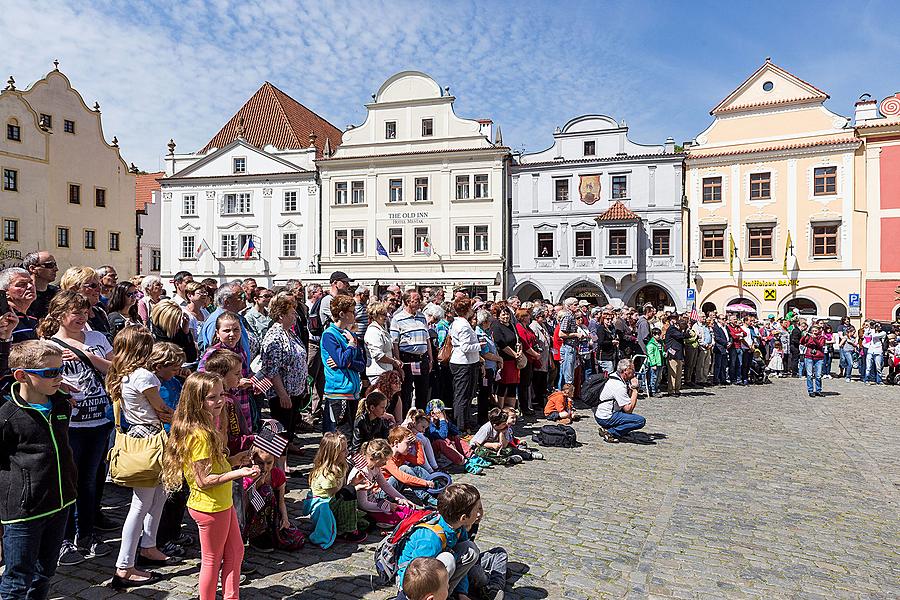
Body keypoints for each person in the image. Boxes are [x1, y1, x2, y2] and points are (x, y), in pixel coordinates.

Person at [161, 372, 257, 600]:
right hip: (210, 506)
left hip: (220, 503)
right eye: (211, 397)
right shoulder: (201, 434)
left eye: (221, 394)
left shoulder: (204, 426)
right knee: (212, 561)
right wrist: (238, 473)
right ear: (197, 401)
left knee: (236, 551)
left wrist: (234, 460)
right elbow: (203, 481)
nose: (220, 401)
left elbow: (213, 467)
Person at [39, 290, 114, 565]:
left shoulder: (97, 338)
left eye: (85, 312)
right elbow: (41, 383)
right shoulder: (48, 344)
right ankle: (64, 539)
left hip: (99, 419)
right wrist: (61, 382)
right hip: (69, 423)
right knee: (67, 481)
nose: (82, 317)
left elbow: (114, 369)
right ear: (59, 314)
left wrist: (88, 355)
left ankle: (87, 534)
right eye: (75, 312)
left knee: (90, 481)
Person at [0, 341, 77, 600]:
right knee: (17, 579)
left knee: (45, 571)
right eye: (50, 372)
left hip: (60, 502)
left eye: (61, 370)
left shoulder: (61, 405)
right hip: (24, 511)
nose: (59, 377)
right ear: (22, 375)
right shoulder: (7, 416)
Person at [106, 329, 180, 588]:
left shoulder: (121, 374)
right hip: (151, 441)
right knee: (140, 504)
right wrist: (187, 418)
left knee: (159, 495)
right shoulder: (144, 376)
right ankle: (124, 566)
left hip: (141, 436)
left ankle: (149, 545)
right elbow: (161, 410)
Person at [396, 483, 482, 600]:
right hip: (410, 583)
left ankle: (446, 592)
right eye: (477, 510)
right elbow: (416, 574)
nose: (479, 514)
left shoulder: (458, 528)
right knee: (449, 558)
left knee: (470, 549)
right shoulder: (430, 538)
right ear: (463, 517)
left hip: (435, 570)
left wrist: (462, 592)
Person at [301, 432, 367, 548]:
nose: (347, 452)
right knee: (350, 492)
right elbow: (335, 494)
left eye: (347, 448)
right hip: (323, 505)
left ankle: (345, 525)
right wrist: (354, 487)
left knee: (367, 521)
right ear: (333, 454)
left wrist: (355, 482)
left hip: (332, 501)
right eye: (343, 450)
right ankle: (346, 531)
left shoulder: (341, 466)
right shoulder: (327, 474)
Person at [260, 295, 308, 445]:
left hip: (294, 392)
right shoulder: (275, 337)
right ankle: (278, 464)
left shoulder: (289, 332)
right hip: (283, 394)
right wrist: (283, 395)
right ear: (281, 315)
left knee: (288, 431)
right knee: (280, 431)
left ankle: (284, 461)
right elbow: (272, 370)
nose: (295, 316)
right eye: (292, 313)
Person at [241, 448, 305, 552]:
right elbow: (244, 505)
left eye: (269, 463)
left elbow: (281, 501)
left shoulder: (277, 474)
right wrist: (258, 483)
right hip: (252, 515)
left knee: (295, 539)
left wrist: (285, 518)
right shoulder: (248, 476)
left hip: (271, 514)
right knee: (266, 491)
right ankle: (256, 536)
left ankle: (269, 532)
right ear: (253, 460)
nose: (265, 467)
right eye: (260, 463)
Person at [321, 294, 366, 432]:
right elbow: (341, 361)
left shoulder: (350, 334)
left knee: (350, 432)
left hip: (352, 391)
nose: (355, 314)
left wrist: (348, 363)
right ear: (341, 314)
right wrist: (351, 346)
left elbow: (361, 364)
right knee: (339, 433)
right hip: (338, 391)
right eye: (351, 311)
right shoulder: (330, 334)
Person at [348, 438, 416, 528]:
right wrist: (388, 506)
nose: (385, 463)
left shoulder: (374, 466)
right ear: (374, 459)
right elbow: (363, 504)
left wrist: (402, 499)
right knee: (400, 517)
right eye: (384, 461)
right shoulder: (362, 473)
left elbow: (385, 485)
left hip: (374, 501)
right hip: (362, 509)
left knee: (405, 509)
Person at [391, 291, 433, 413]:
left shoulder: (422, 316)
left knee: (423, 390)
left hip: (422, 358)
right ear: (408, 302)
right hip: (407, 358)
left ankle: (421, 419)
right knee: (406, 391)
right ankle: (405, 418)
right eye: (416, 300)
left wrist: (430, 358)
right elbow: (395, 342)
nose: (419, 302)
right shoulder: (397, 319)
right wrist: (398, 361)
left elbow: (427, 339)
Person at [448, 298, 482, 433]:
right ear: (467, 309)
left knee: (467, 394)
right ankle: (460, 425)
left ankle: (465, 422)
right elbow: (466, 347)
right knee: (462, 395)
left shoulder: (458, 323)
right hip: (463, 363)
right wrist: (479, 345)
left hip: (465, 362)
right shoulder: (462, 325)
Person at [594, 358, 646, 443]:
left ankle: (620, 431)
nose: (634, 372)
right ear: (625, 371)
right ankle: (610, 432)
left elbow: (626, 400)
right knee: (640, 421)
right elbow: (628, 409)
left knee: (627, 415)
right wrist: (635, 390)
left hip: (601, 412)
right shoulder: (618, 385)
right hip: (606, 417)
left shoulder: (614, 375)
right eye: (632, 370)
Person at [385, 426, 438, 506]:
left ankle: (436, 490)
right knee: (404, 468)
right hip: (383, 495)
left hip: (395, 491)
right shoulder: (387, 458)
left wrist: (418, 443)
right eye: (407, 443)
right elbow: (403, 477)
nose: (410, 447)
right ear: (396, 443)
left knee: (416, 468)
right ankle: (427, 498)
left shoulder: (401, 454)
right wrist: (425, 483)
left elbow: (420, 462)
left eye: (411, 443)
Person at [199, 283, 251, 358]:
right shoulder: (216, 321)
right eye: (240, 296)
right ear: (227, 302)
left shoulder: (235, 317)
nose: (245, 298)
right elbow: (217, 356)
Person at [60, 267, 109, 337]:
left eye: (100, 285)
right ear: (74, 289)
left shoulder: (100, 312)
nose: (99, 289)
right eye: (93, 286)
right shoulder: (63, 315)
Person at [150, 300, 199, 365]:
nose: (178, 326)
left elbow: (191, 357)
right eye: (175, 322)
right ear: (167, 322)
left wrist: (186, 332)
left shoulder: (177, 331)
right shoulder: (153, 337)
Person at [365, 301, 402, 386]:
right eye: (382, 314)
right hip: (378, 373)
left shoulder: (381, 329)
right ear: (375, 315)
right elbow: (378, 355)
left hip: (385, 371)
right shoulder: (373, 331)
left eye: (386, 314)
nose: (385, 317)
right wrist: (394, 362)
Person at [424, 399, 471, 466]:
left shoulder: (441, 421)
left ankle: (471, 455)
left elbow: (457, 432)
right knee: (441, 442)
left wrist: (447, 422)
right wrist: (442, 420)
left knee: (455, 437)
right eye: (442, 412)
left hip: (439, 450)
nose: (443, 414)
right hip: (431, 451)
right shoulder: (428, 424)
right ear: (432, 413)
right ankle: (462, 461)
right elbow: (442, 435)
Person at [0, 267, 39, 342]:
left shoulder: (33, 317)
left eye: (31, 282)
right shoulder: (4, 320)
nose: (30, 286)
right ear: (5, 293)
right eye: (21, 284)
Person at [515, 308, 541, 415]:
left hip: (530, 359)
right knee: (523, 385)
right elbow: (525, 345)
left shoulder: (527, 328)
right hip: (524, 359)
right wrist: (535, 354)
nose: (529, 317)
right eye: (527, 315)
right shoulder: (519, 328)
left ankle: (527, 405)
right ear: (522, 317)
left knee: (527, 383)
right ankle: (523, 407)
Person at [351, 389, 392, 454]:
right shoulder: (361, 422)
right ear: (372, 407)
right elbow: (356, 446)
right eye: (382, 407)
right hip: (361, 454)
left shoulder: (380, 421)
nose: (384, 411)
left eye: (385, 407)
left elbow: (386, 438)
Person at [22, 251, 59, 320]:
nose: (56, 269)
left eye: (55, 265)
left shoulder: (57, 293)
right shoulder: (22, 295)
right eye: (50, 265)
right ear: (33, 269)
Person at [529, 307, 552, 411]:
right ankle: (536, 401)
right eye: (541, 316)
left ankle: (541, 400)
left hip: (545, 358)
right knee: (537, 380)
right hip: (538, 358)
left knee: (543, 380)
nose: (543, 317)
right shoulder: (534, 326)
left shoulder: (542, 325)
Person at [556, 298, 581, 389]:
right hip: (568, 347)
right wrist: (576, 334)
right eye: (575, 304)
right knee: (568, 376)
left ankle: (564, 397)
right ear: (569, 306)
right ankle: (566, 399)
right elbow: (561, 334)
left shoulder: (572, 316)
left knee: (567, 374)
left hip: (571, 347)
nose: (577, 306)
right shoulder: (567, 316)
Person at [800, 324, 826, 397]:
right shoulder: (809, 336)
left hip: (819, 357)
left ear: (819, 331)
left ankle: (818, 390)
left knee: (818, 375)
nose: (814, 332)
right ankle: (810, 390)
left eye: (816, 330)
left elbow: (820, 345)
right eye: (813, 331)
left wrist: (814, 339)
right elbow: (802, 342)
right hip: (809, 356)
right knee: (809, 375)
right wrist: (804, 336)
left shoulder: (822, 338)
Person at [664, 318, 686, 396]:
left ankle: (677, 389)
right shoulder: (672, 329)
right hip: (673, 355)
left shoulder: (679, 330)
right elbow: (679, 336)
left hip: (679, 354)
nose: (684, 327)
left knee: (679, 373)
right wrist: (687, 334)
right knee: (673, 373)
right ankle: (671, 390)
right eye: (683, 325)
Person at [645, 328, 663, 396]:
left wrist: (664, 354)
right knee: (653, 377)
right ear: (653, 335)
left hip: (660, 362)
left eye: (659, 334)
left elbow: (661, 351)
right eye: (656, 334)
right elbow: (651, 355)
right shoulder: (651, 344)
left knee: (658, 377)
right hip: (655, 363)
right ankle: (652, 390)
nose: (658, 336)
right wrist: (653, 364)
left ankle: (656, 388)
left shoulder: (660, 342)